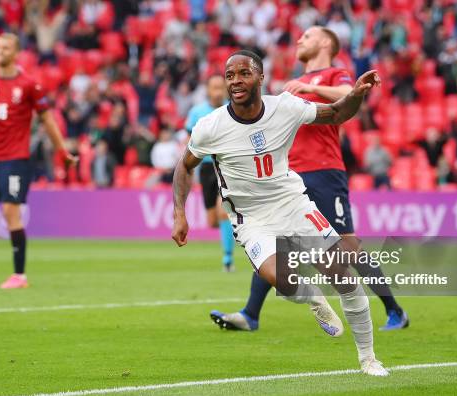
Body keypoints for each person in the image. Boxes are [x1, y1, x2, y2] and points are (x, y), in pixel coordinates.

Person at [172, 50, 388, 376]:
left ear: (260, 76)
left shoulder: (284, 107)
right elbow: (183, 166)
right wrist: (180, 213)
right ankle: (314, 300)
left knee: (344, 278)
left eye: (243, 73)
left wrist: (356, 94)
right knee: (280, 277)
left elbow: (336, 114)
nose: (235, 81)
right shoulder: (210, 126)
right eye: (230, 76)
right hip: (251, 218)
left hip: (293, 204)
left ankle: (369, 359)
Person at [210, 27, 408, 333]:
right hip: (289, 175)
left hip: (325, 171)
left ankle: (395, 311)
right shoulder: (294, 83)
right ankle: (251, 314)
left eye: (308, 36)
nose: (300, 40)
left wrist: (306, 86)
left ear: (326, 42)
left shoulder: (334, 73)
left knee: (346, 246)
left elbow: (348, 96)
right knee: (272, 242)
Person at [0, 33, 76, 289]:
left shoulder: (29, 85)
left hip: (16, 159)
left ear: (16, 53)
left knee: (9, 211)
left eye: (5, 47)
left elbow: (47, 120)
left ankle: (19, 275)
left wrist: (62, 151)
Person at [185, 75, 235, 271]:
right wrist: (187, 168)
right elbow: (190, 142)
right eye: (213, 87)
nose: (217, 91)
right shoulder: (197, 112)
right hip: (206, 167)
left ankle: (228, 259)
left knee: (223, 211)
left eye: (220, 87)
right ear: (207, 90)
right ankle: (236, 233)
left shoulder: (232, 110)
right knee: (212, 220)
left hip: (225, 165)